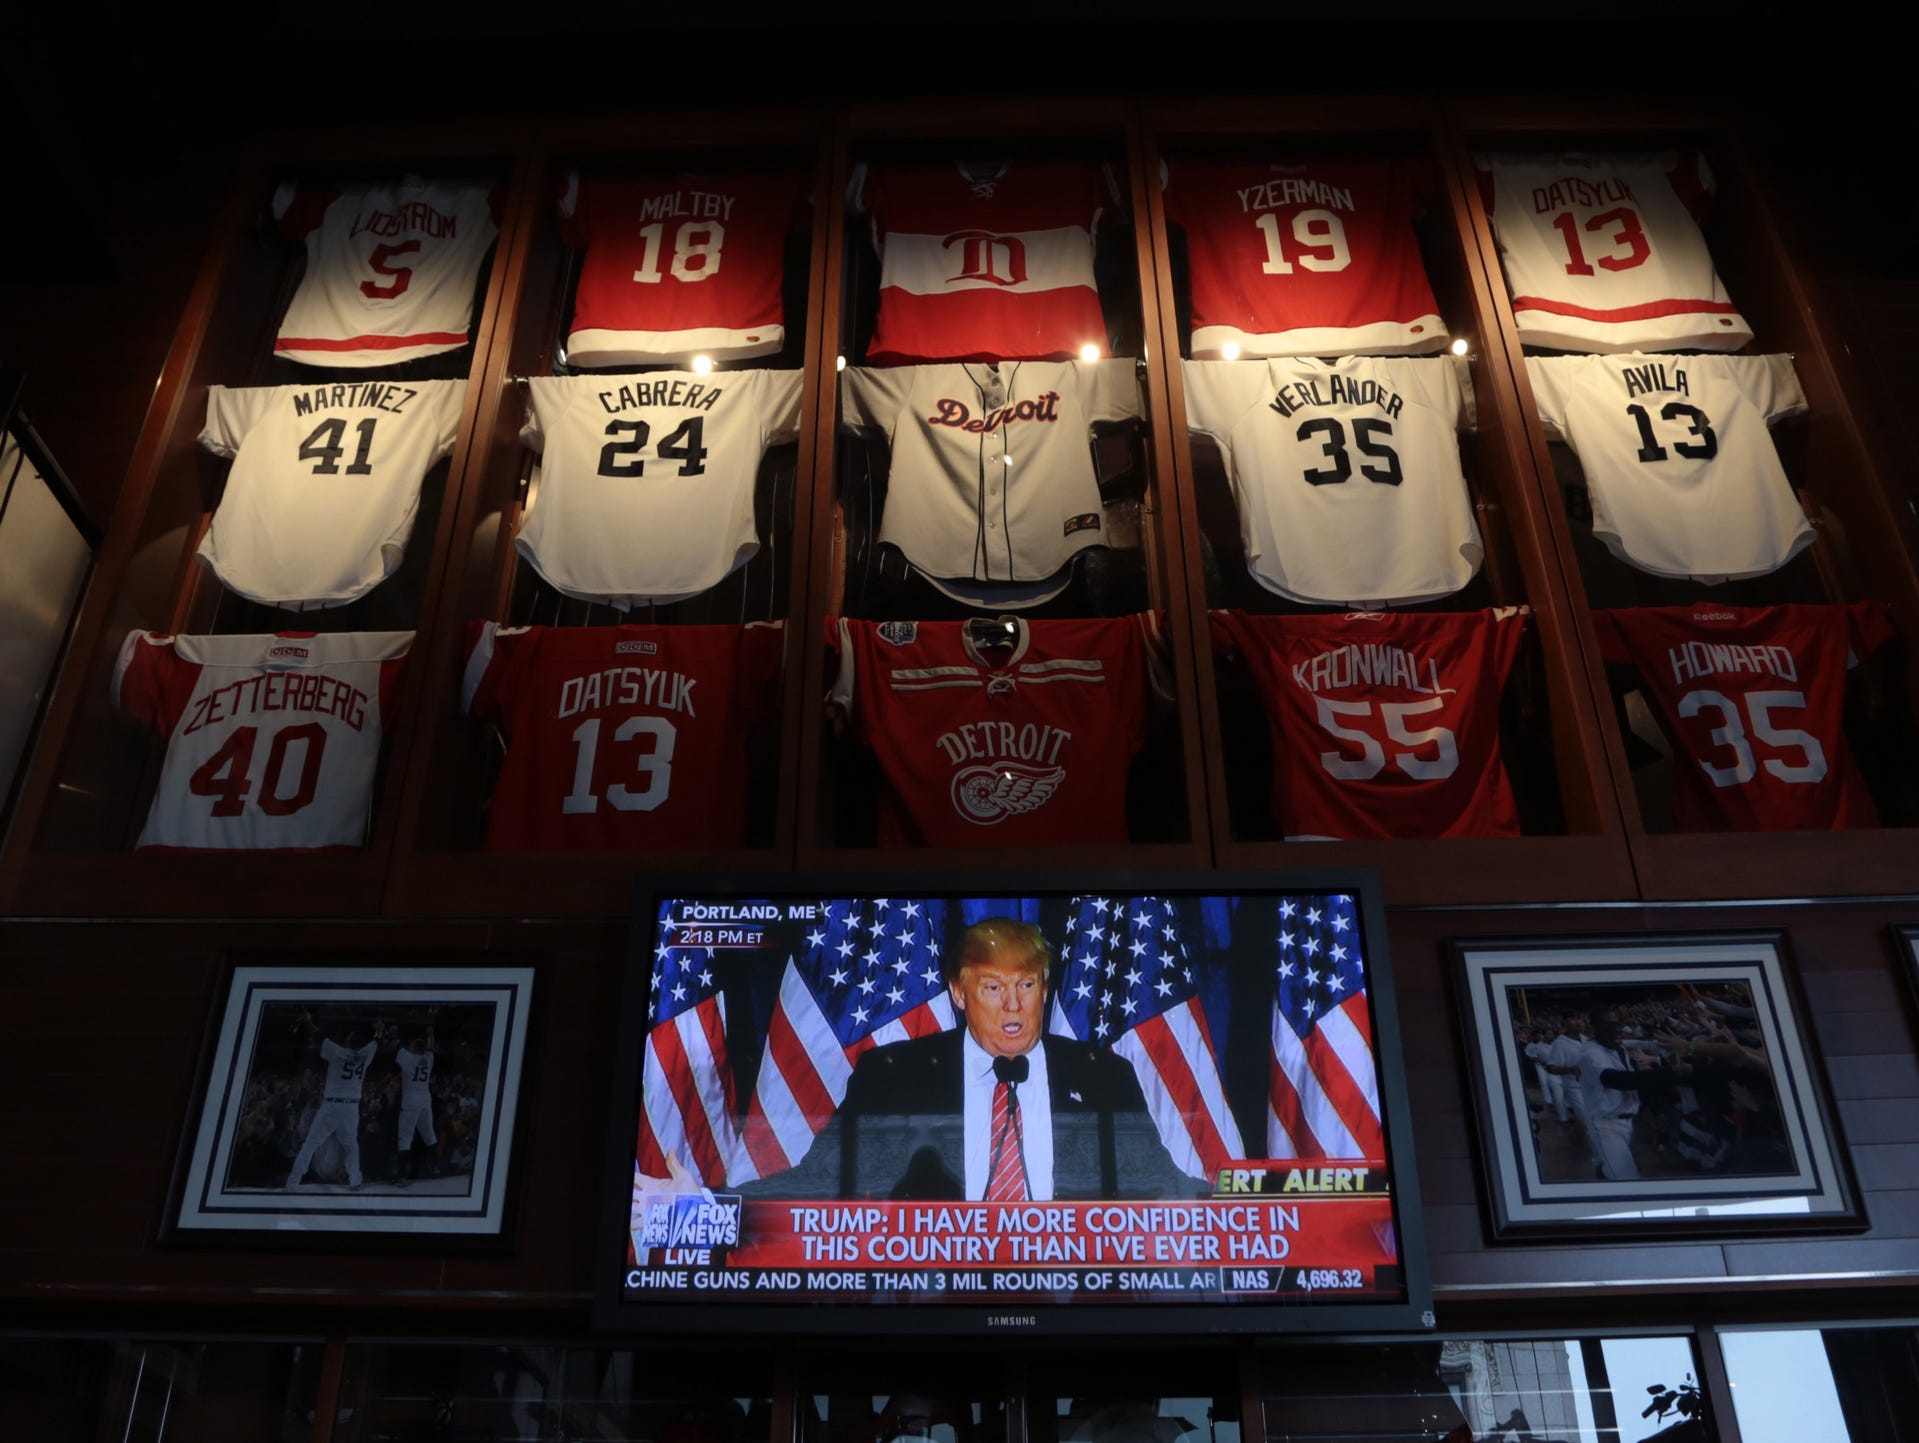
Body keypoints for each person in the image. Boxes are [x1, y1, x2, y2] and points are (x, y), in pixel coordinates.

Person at [836, 917, 1179, 1200]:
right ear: (959, 993)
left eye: (1026, 985)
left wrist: (1228, 1203)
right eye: (993, 988)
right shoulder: (893, 1075)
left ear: (1044, 991)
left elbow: (1160, 1187)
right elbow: (821, 1181)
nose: (1012, 1004)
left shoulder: (1104, 1076)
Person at [285, 1016, 386, 1191]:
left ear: (348, 1042)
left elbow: (317, 1035)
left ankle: (293, 1183)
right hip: (352, 1107)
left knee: (311, 1143)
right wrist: (379, 1029)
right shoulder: (365, 1055)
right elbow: (375, 1042)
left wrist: (308, 1020)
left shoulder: (338, 1052)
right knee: (351, 1145)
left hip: (332, 1105)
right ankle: (355, 1181)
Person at [392, 1026, 437, 1187]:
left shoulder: (408, 1058)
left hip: (410, 1100)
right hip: (425, 1099)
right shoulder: (429, 1058)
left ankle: (401, 1177)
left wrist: (393, 1034)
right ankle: (435, 1169)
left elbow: (396, 1046)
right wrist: (431, 1033)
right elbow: (431, 1047)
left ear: (413, 1048)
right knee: (429, 1135)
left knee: (405, 1138)